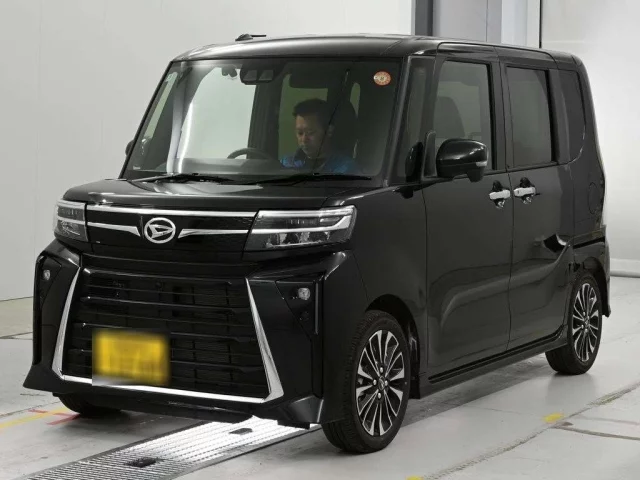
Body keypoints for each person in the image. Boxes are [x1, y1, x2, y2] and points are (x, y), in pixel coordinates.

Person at [280, 98, 360, 174]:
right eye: (300, 133)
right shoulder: (286, 163)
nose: (304, 140)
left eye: (310, 133)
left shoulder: (345, 169)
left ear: (329, 131)